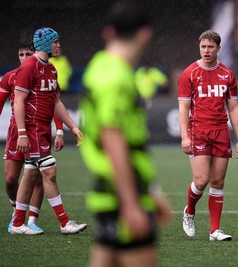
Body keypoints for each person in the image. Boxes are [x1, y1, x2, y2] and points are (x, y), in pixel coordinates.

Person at [80, 2, 170, 266]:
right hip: (122, 194)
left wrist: (151, 190)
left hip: (108, 190)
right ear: (145, 34)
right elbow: (113, 138)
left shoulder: (99, 65)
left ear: (108, 32)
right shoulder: (118, 77)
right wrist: (131, 203)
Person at [11, 27, 87, 235]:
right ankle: (64, 222)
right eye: (55, 42)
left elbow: (56, 102)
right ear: (45, 44)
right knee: (50, 172)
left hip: (43, 128)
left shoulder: (51, 68)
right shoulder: (29, 66)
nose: (59, 45)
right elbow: (18, 101)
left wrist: (72, 127)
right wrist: (23, 133)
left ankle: (18, 223)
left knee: (30, 173)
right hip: (33, 128)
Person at [178, 30, 238, 241]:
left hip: (221, 132)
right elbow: (183, 109)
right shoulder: (189, 74)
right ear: (199, 48)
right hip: (198, 130)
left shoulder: (228, 74)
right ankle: (189, 212)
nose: (206, 51)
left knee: (217, 181)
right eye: (203, 47)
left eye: (210, 47)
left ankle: (214, 231)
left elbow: (233, 108)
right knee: (201, 180)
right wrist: (184, 137)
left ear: (218, 48)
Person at [0, 39, 65, 234]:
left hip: (36, 130)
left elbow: (52, 103)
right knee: (11, 178)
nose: (24, 58)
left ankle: (32, 220)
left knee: (37, 175)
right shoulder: (10, 77)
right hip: (17, 132)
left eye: (28, 54)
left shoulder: (45, 71)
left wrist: (59, 130)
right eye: (21, 54)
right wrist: (20, 133)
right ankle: (17, 212)